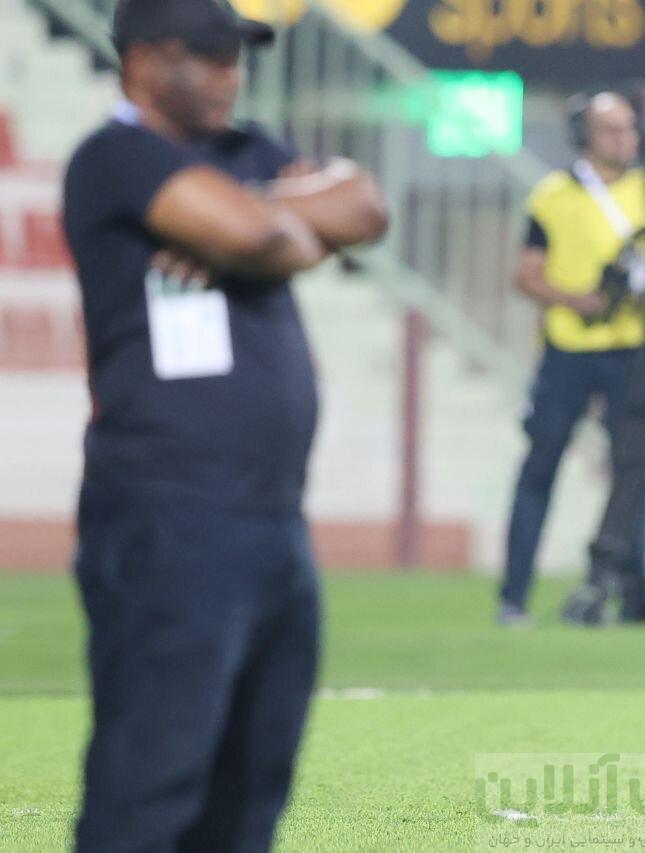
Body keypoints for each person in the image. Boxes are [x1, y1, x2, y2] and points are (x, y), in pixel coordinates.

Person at [61, 0, 388, 849]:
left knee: (250, 791)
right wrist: (285, 221)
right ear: (143, 60)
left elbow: (365, 205)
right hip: (167, 514)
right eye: (207, 55)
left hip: (273, 520)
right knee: (150, 783)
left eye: (234, 55)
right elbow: (254, 236)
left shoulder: (244, 151)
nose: (229, 72)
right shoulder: (115, 156)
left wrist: (264, 215)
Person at [498, 91, 645, 627]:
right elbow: (526, 274)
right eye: (610, 129)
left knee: (633, 472)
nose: (624, 139)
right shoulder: (553, 195)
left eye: (629, 127)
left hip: (638, 341)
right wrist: (578, 301)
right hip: (571, 346)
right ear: (584, 136)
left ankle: (634, 596)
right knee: (541, 464)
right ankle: (514, 595)